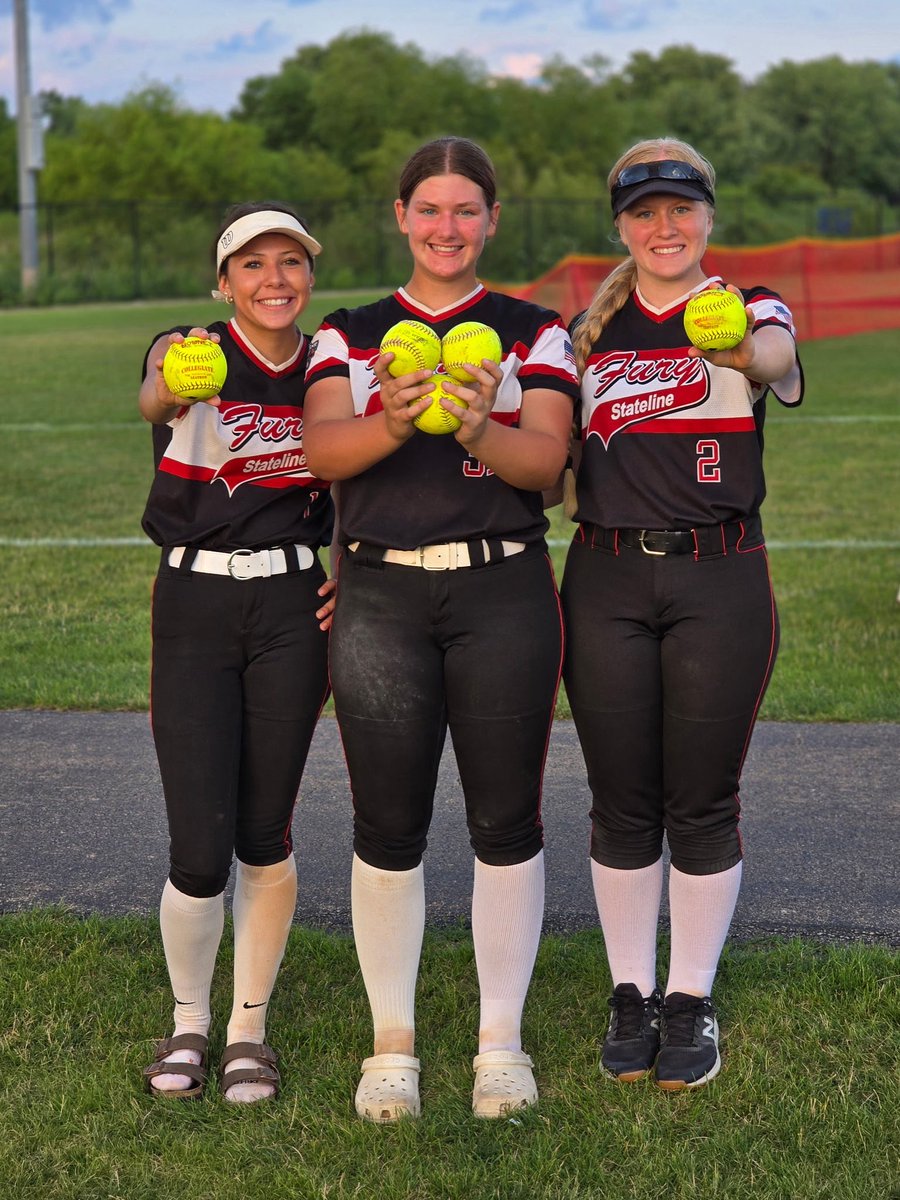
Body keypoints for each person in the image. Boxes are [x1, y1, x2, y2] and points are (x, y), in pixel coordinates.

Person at [302, 136, 580, 1121]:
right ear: (401, 216)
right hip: (382, 597)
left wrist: (472, 427)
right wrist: (392, 418)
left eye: (468, 210)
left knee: (507, 823)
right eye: (430, 209)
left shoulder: (531, 329)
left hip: (501, 590)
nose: (448, 227)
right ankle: (393, 1046)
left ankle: (499, 1042)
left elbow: (545, 465)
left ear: (492, 221)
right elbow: (324, 448)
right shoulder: (352, 330)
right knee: (388, 828)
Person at [561, 138, 803, 1091]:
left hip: (719, 578)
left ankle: (690, 996)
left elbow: (778, 357)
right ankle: (631, 991)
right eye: (644, 211)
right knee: (621, 798)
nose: (664, 226)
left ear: (709, 217)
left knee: (700, 800)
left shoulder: (750, 307)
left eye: (681, 208)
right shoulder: (586, 327)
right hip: (607, 577)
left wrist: (735, 347)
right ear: (620, 226)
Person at [138, 202, 335, 1103]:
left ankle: (248, 1028)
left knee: (264, 829)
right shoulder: (190, 349)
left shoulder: (331, 367)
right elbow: (155, 394)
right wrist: (175, 384)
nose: (274, 280)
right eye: (252, 264)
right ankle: (188, 1021)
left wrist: (356, 569)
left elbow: (365, 471)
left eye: (290, 262)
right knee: (198, 840)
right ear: (224, 283)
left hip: (295, 602)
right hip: (196, 601)